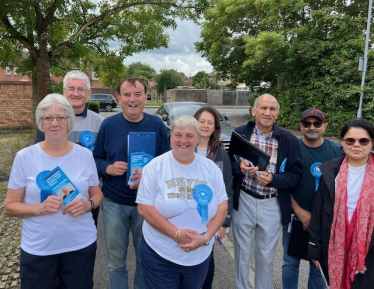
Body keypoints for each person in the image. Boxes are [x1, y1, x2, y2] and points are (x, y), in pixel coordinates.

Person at [4, 93, 103, 289]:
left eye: (61, 117)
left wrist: (87, 205)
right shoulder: (24, 157)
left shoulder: (84, 155)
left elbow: (97, 194)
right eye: (48, 118)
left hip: (80, 245)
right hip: (39, 248)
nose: (55, 123)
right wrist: (38, 209)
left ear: (69, 121)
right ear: (41, 122)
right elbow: (9, 207)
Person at [93, 77, 170, 289]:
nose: (132, 99)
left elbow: (167, 163)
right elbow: (96, 159)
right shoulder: (108, 125)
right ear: (119, 98)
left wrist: (151, 175)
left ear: (146, 97)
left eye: (137, 94)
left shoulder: (157, 126)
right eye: (127, 95)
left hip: (147, 205)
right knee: (115, 262)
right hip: (113, 203)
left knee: (145, 260)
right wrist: (107, 168)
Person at [136, 115, 228, 289]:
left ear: (198, 139)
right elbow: (144, 208)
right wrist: (176, 234)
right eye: (178, 135)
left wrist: (206, 238)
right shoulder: (155, 167)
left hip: (199, 256)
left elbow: (222, 206)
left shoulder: (211, 168)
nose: (183, 140)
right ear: (171, 137)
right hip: (161, 254)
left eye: (189, 135)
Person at [231, 93, 303, 289]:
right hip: (244, 198)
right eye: (263, 108)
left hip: (272, 202)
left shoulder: (288, 139)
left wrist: (273, 179)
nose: (267, 112)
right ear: (254, 111)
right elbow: (229, 164)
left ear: (277, 114)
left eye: (272, 109)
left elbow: (296, 174)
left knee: (265, 255)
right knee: (242, 254)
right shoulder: (240, 133)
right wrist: (240, 168)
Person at [309, 118, 374, 289]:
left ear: (371, 143)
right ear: (343, 142)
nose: (356, 145)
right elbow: (318, 213)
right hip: (336, 243)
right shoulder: (330, 172)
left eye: (363, 140)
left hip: (368, 247)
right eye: (350, 140)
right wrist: (315, 248)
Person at [35, 70, 104, 227]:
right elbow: (38, 156)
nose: (76, 93)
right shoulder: (49, 121)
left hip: (86, 192)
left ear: (88, 93)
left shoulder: (100, 122)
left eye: (81, 89)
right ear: (64, 92)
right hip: (52, 188)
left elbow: (102, 158)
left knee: (86, 230)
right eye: (71, 89)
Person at [282, 108, 342, 289]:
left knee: (318, 266)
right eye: (307, 123)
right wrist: (300, 212)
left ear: (325, 126)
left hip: (325, 220)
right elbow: (283, 184)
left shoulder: (337, 151)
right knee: (290, 263)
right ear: (300, 126)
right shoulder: (292, 148)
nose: (312, 127)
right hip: (295, 217)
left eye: (317, 123)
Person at [193, 106, 233, 289]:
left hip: (210, 217)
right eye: (202, 121)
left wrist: (225, 223)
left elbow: (227, 188)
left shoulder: (220, 152)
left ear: (215, 127)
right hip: (186, 214)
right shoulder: (185, 147)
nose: (205, 125)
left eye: (210, 122)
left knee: (207, 260)